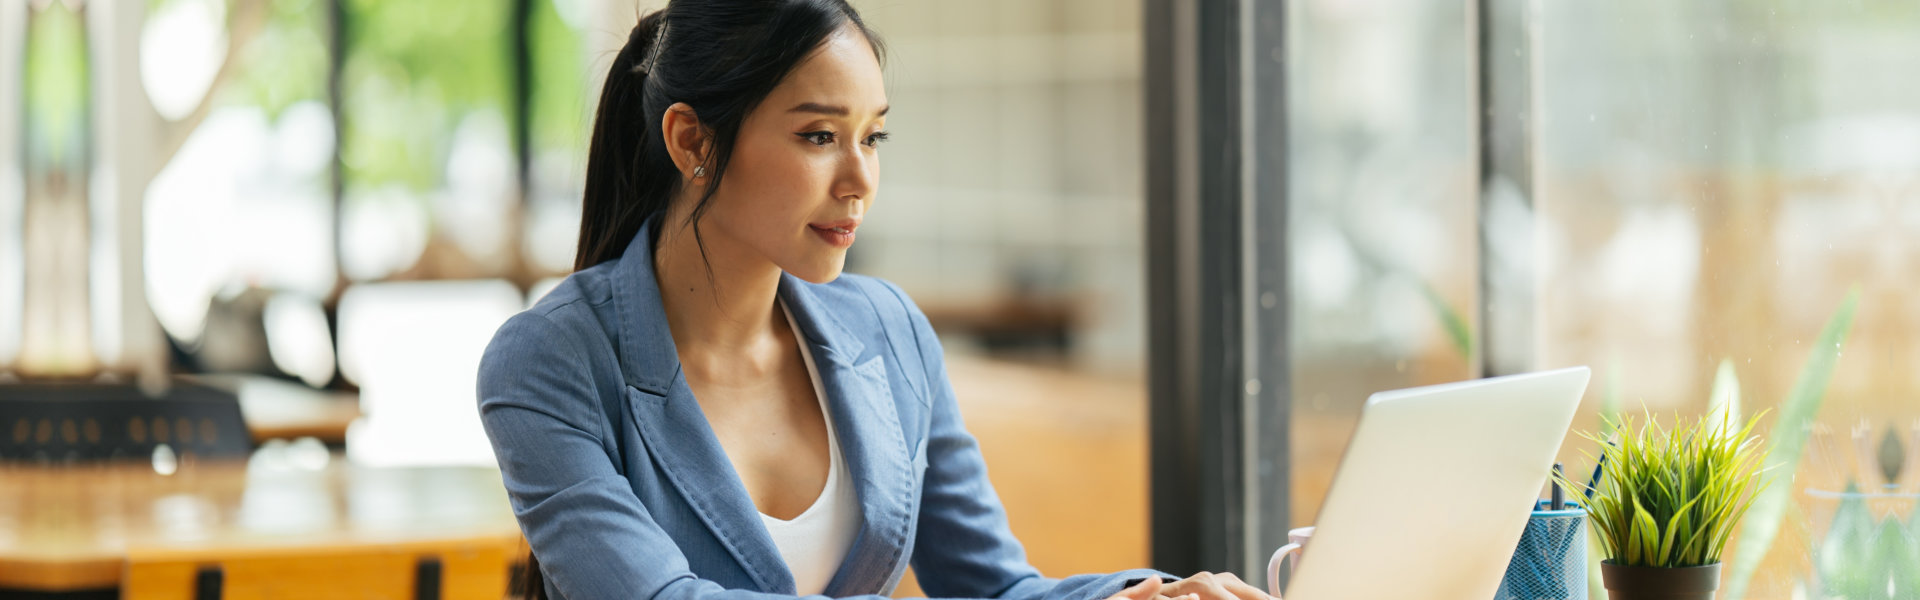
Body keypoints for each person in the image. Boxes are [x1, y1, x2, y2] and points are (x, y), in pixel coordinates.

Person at [476, 2, 1275, 600]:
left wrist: (1140, 597)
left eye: (874, 137)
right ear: (693, 141)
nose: (860, 180)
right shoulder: (549, 362)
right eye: (820, 136)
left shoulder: (888, 330)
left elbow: (993, 587)